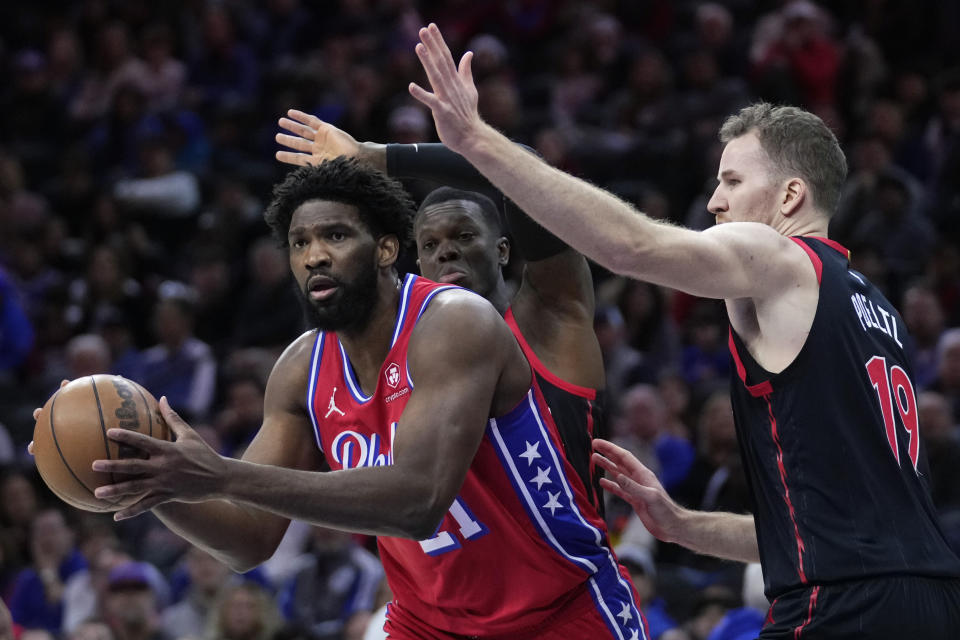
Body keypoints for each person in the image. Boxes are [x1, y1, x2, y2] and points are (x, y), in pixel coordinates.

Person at [407, 23, 960, 638]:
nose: (716, 203)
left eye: (732, 182)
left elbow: (630, 246)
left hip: (842, 609)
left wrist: (477, 143)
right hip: (930, 602)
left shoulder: (780, 259)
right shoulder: (877, 312)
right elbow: (834, 533)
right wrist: (682, 525)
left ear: (791, 196)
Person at [54, 158, 643, 638]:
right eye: (299, 242)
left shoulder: (455, 322)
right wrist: (155, 479)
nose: (314, 256)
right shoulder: (300, 369)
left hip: (560, 612)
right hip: (428, 624)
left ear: (386, 249)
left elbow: (418, 501)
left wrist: (222, 476)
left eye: (335, 235)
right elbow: (249, 540)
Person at [274, 109, 607, 514]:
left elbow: (527, 170)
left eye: (464, 236)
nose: (445, 250)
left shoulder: (551, 313)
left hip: (569, 567)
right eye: (429, 245)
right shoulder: (409, 353)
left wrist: (379, 158)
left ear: (503, 250)